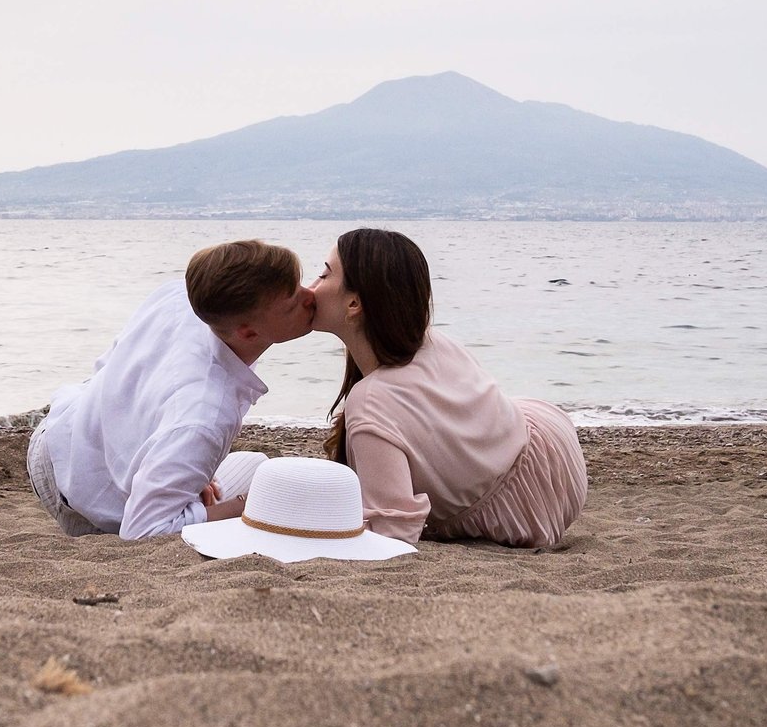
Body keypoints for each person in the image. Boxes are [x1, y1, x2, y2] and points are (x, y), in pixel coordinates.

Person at [311, 227, 588, 549]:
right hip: (554, 455)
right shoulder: (431, 341)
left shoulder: (371, 400)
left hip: (524, 512)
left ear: (354, 303)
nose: (312, 287)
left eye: (323, 275)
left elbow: (393, 532)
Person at [29, 239, 316, 538]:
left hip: (66, 429)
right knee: (270, 496)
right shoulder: (205, 416)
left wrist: (180, 469)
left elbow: (114, 370)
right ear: (248, 332)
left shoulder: (185, 296)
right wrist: (246, 507)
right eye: (294, 301)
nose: (311, 297)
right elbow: (140, 532)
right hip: (78, 492)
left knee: (261, 469)